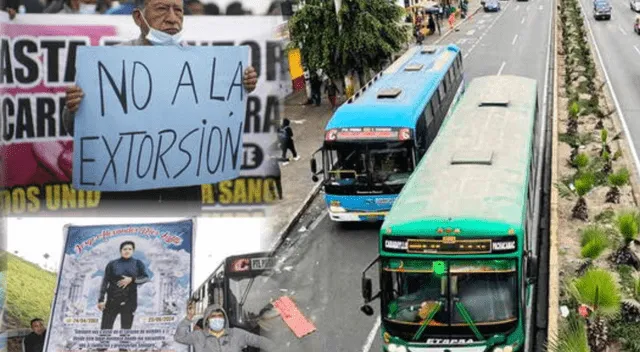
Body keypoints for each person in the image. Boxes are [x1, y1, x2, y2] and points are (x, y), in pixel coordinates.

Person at [62, 0, 258, 208]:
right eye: (162, 9)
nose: (172, 18)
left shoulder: (202, 65)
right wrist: (75, 107)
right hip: (124, 194)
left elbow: (216, 119)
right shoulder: (110, 62)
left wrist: (240, 87)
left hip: (183, 191)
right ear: (139, 18)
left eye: (178, 11)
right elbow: (76, 128)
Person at [175, 303, 277, 352]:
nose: (217, 319)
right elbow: (179, 337)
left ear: (224, 319)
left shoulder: (236, 334)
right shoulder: (198, 336)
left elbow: (259, 341)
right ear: (207, 320)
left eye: (220, 316)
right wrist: (188, 319)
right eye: (213, 317)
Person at [98, 241, 150, 331]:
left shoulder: (138, 263)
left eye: (130, 249)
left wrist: (132, 279)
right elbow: (105, 282)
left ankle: (124, 344)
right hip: (112, 300)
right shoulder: (112, 264)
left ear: (133, 251)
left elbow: (145, 278)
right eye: (125, 249)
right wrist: (101, 300)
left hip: (130, 301)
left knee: (125, 330)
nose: (127, 251)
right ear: (120, 250)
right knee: (105, 329)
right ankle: (103, 345)